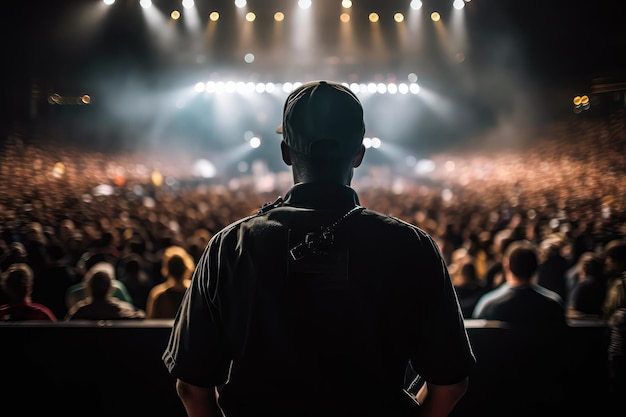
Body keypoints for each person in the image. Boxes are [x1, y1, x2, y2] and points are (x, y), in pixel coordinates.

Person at [163, 80, 475, 417]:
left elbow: (192, 388)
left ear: (285, 153)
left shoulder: (230, 247)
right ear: (358, 155)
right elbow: (450, 384)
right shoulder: (412, 247)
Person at [471, 239, 567, 416]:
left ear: (507, 266)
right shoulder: (553, 305)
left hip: (499, 390)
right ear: (536, 266)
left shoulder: (488, 305)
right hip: (543, 388)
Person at [65, 267, 146, 320]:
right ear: (110, 288)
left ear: (88, 287)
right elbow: (141, 317)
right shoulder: (122, 310)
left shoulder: (79, 311)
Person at [145, 245, 194, 318]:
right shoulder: (195, 291)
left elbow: (151, 321)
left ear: (167, 269)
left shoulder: (159, 295)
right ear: (186, 267)